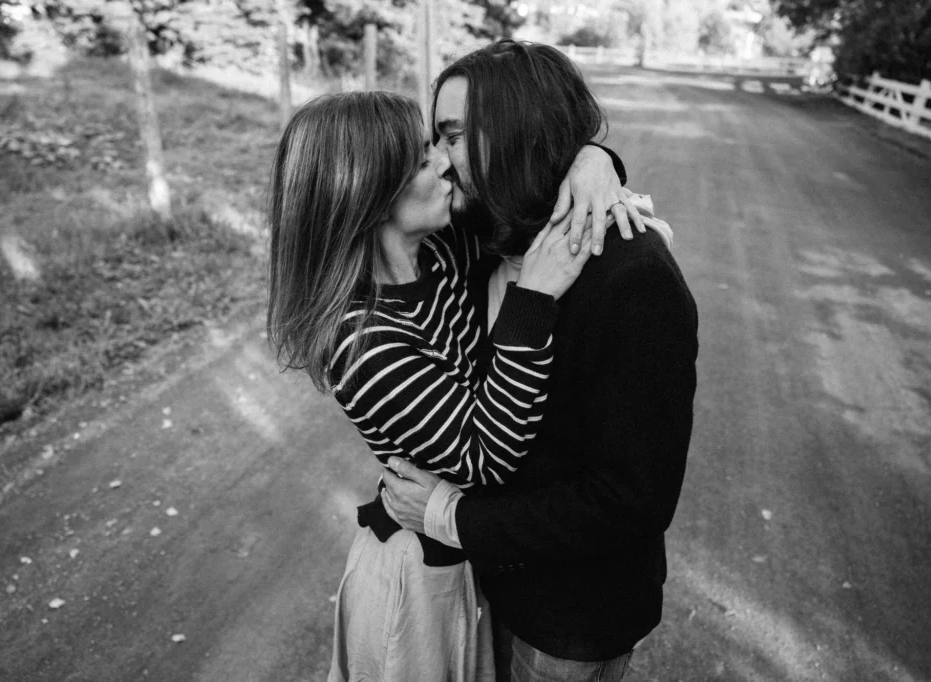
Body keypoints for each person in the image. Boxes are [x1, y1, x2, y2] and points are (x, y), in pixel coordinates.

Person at [265, 90, 646, 682]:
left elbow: (534, 202)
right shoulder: (362, 342)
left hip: (476, 557)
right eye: (423, 159)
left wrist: (594, 160)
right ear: (366, 196)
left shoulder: (440, 252)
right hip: (421, 580)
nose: (446, 161)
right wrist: (533, 301)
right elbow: (486, 455)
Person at [381, 40, 699, 681]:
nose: (442, 163)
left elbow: (630, 500)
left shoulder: (635, 281)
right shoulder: (482, 235)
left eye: (455, 137)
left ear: (523, 133)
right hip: (484, 587)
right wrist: (595, 156)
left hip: (568, 624)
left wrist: (451, 516)